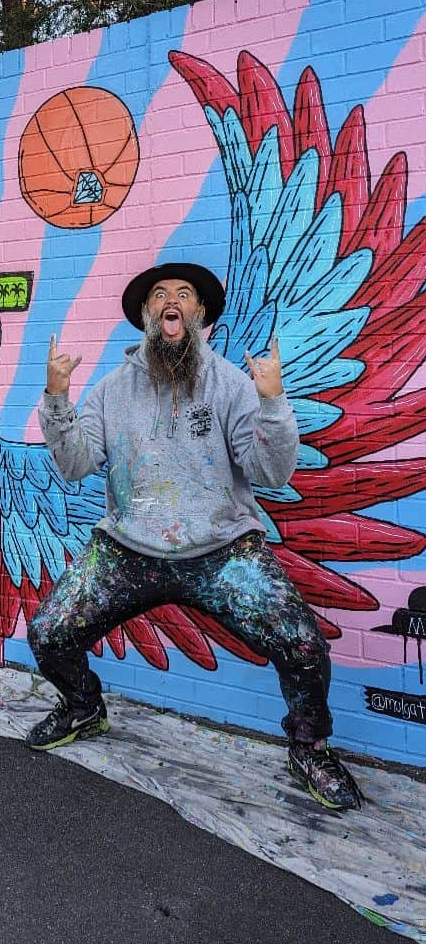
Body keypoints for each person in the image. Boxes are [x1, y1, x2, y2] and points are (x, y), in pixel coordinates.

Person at [25, 262, 363, 812]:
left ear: (201, 314)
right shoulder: (111, 391)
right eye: (159, 295)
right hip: (128, 551)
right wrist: (57, 400)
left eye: (184, 295)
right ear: (146, 316)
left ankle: (310, 749)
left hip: (221, 551)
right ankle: (83, 706)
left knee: (303, 644)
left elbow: (272, 473)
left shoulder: (230, 383)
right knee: (47, 636)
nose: (171, 302)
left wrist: (274, 404)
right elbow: (75, 463)